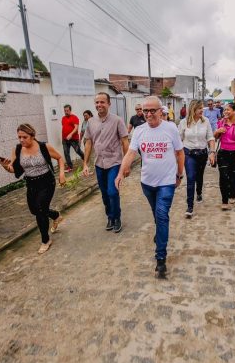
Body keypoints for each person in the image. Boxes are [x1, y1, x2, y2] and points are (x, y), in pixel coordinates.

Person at [115, 96, 184, 278]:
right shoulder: (139, 130)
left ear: (161, 111)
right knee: (156, 213)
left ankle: (160, 259)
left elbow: (179, 152)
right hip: (147, 182)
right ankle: (160, 232)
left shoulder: (171, 128)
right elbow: (130, 153)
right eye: (145, 111)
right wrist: (121, 172)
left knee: (162, 215)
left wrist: (179, 173)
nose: (148, 114)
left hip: (167, 181)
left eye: (152, 110)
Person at [0, 123, 65, 255]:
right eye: (19, 137)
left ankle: (45, 241)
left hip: (46, 182)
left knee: (40, 210)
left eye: (25, 137)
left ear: (33, 136)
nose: (22, 140)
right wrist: (4, 166)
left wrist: (61, 174)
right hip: (31, 184)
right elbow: (13, 170)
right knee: (34, 210)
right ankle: (56, 215)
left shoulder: (44, 147)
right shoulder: (17, 150)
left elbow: (59, 158)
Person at [83, 92, 129, 233]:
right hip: (99, 164)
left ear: (109, 104)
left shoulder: (117, 120)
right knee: (104, 193)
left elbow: (124, 141)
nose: (99, 105)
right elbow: (89, 142)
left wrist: (126, 164)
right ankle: (110, 216)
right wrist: (85, 163)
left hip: (114, 162)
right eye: (97, 102)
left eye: (102, 102)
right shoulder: (90, 122)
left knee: (112, 192)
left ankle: (117, 217)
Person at [178, 99, 216, 217]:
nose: (202, 110)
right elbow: (179, 139)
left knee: (199, 176)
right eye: (199, 108)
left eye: (202, 108)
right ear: (193, 109)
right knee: (190, 177)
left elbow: (210, 138)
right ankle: (190, 206)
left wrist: (212, 152)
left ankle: (199, 192)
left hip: (202, 154)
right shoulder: (184, 122)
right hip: (188, 153)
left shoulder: (206, 122)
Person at [61, 104, 84, 173]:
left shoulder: (74, 117)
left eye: (67, 110)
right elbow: (64, 127)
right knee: (66, 152)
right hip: (65, 139)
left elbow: (76, 127)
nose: (66, 112)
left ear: (70, 110)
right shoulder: (63, 118)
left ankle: (85, 160)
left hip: (73, 139)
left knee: (78, 151)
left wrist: (71, 134)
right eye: (65, 111)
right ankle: (70, 167)